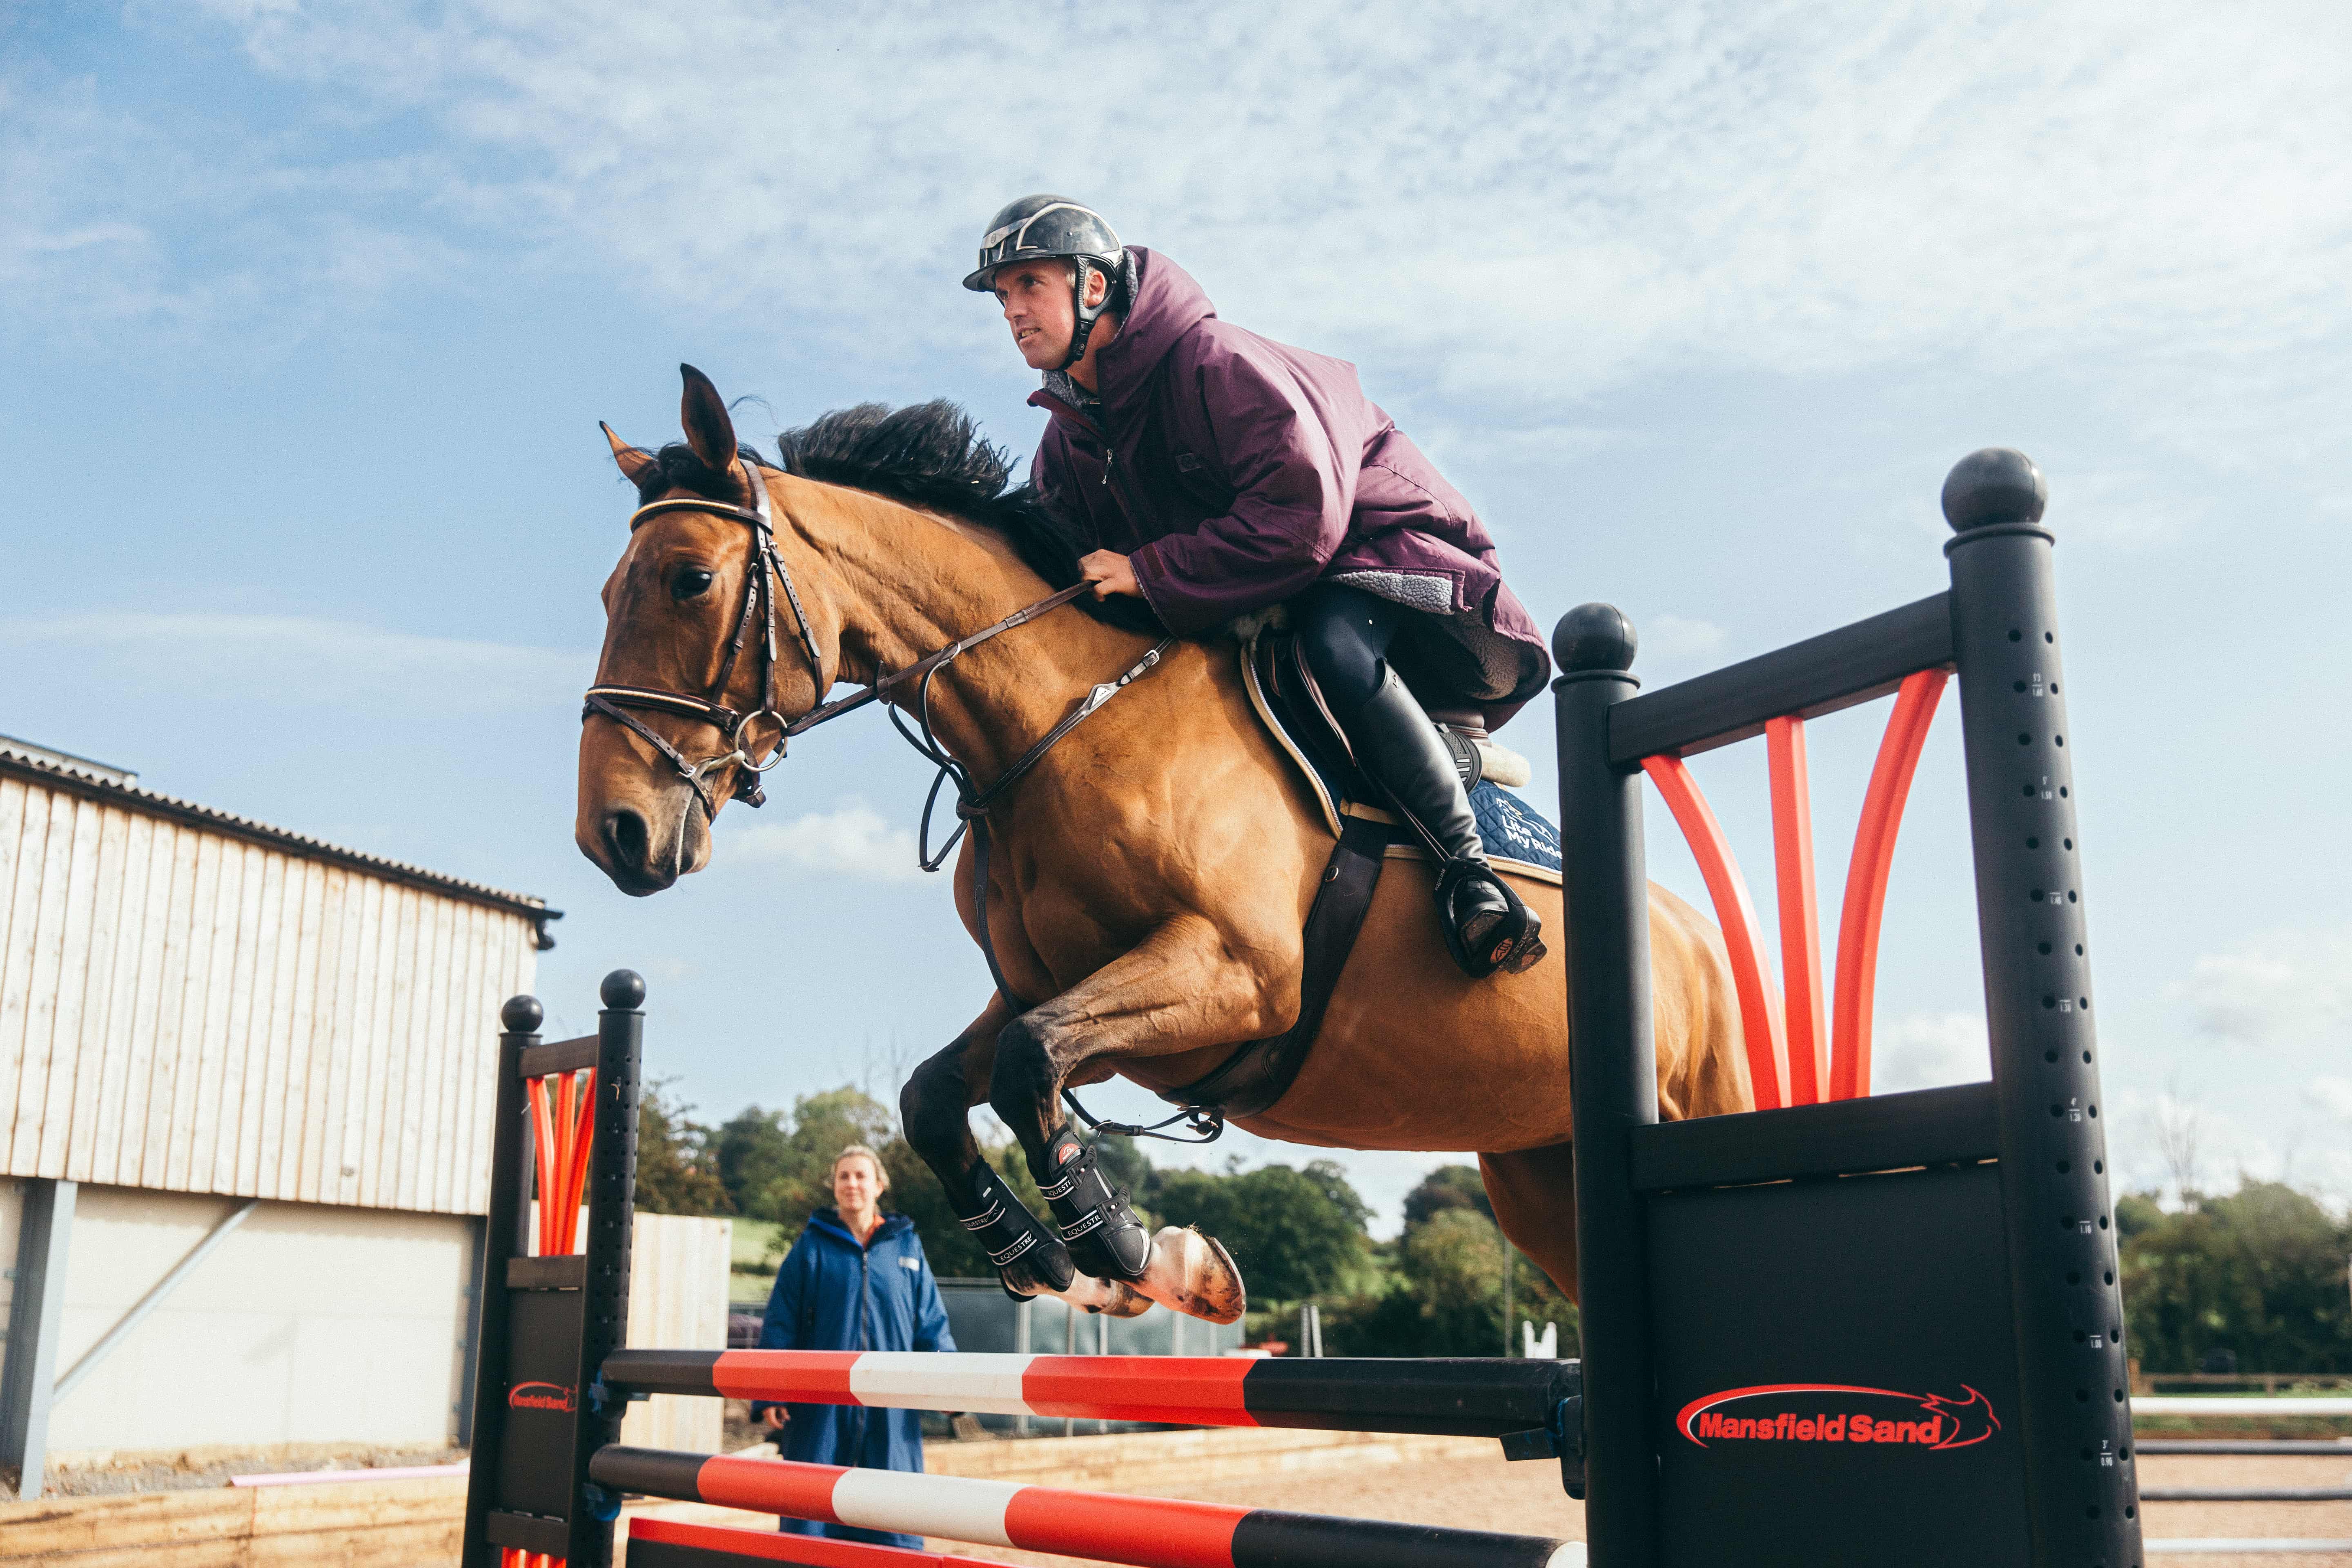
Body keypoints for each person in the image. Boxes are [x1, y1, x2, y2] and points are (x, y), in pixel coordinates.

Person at [965, 196, 1552, 979]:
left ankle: (1469, 873)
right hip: (1258, 582)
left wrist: (1148, 571)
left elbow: (1304, 523)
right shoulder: (1065, 448)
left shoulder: (1216, 363)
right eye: (1002, 296)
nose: (1013, 311)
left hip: (1377, 549)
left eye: (1029, 284)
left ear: (1094, 288)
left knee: (1332, 647)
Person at [750, 1145, 955, 1550]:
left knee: (895, 1517)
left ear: (880, 1185)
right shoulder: (810, 1248)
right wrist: (769, 1389)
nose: (852, 1184)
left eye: (861, 1176)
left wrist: (950, 1385)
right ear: (834, 1186)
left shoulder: (906, 1248)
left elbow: (931, 1324)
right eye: (844, 1176)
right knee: (810, 1517)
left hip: (892, 1409)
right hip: (820, 1409)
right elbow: (781, 1321)